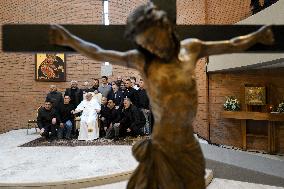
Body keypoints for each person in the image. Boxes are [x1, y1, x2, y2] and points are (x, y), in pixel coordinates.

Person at [50, 2, 274, 188]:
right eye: (144, 40)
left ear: (164, 29)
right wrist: (69, 40)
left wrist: (257, 36)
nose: (148, 44)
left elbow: (230, 44)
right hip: (162, 144)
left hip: (187, 142)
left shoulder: (191, 49)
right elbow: (100, 52)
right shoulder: (144, 60)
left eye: (150, 37)